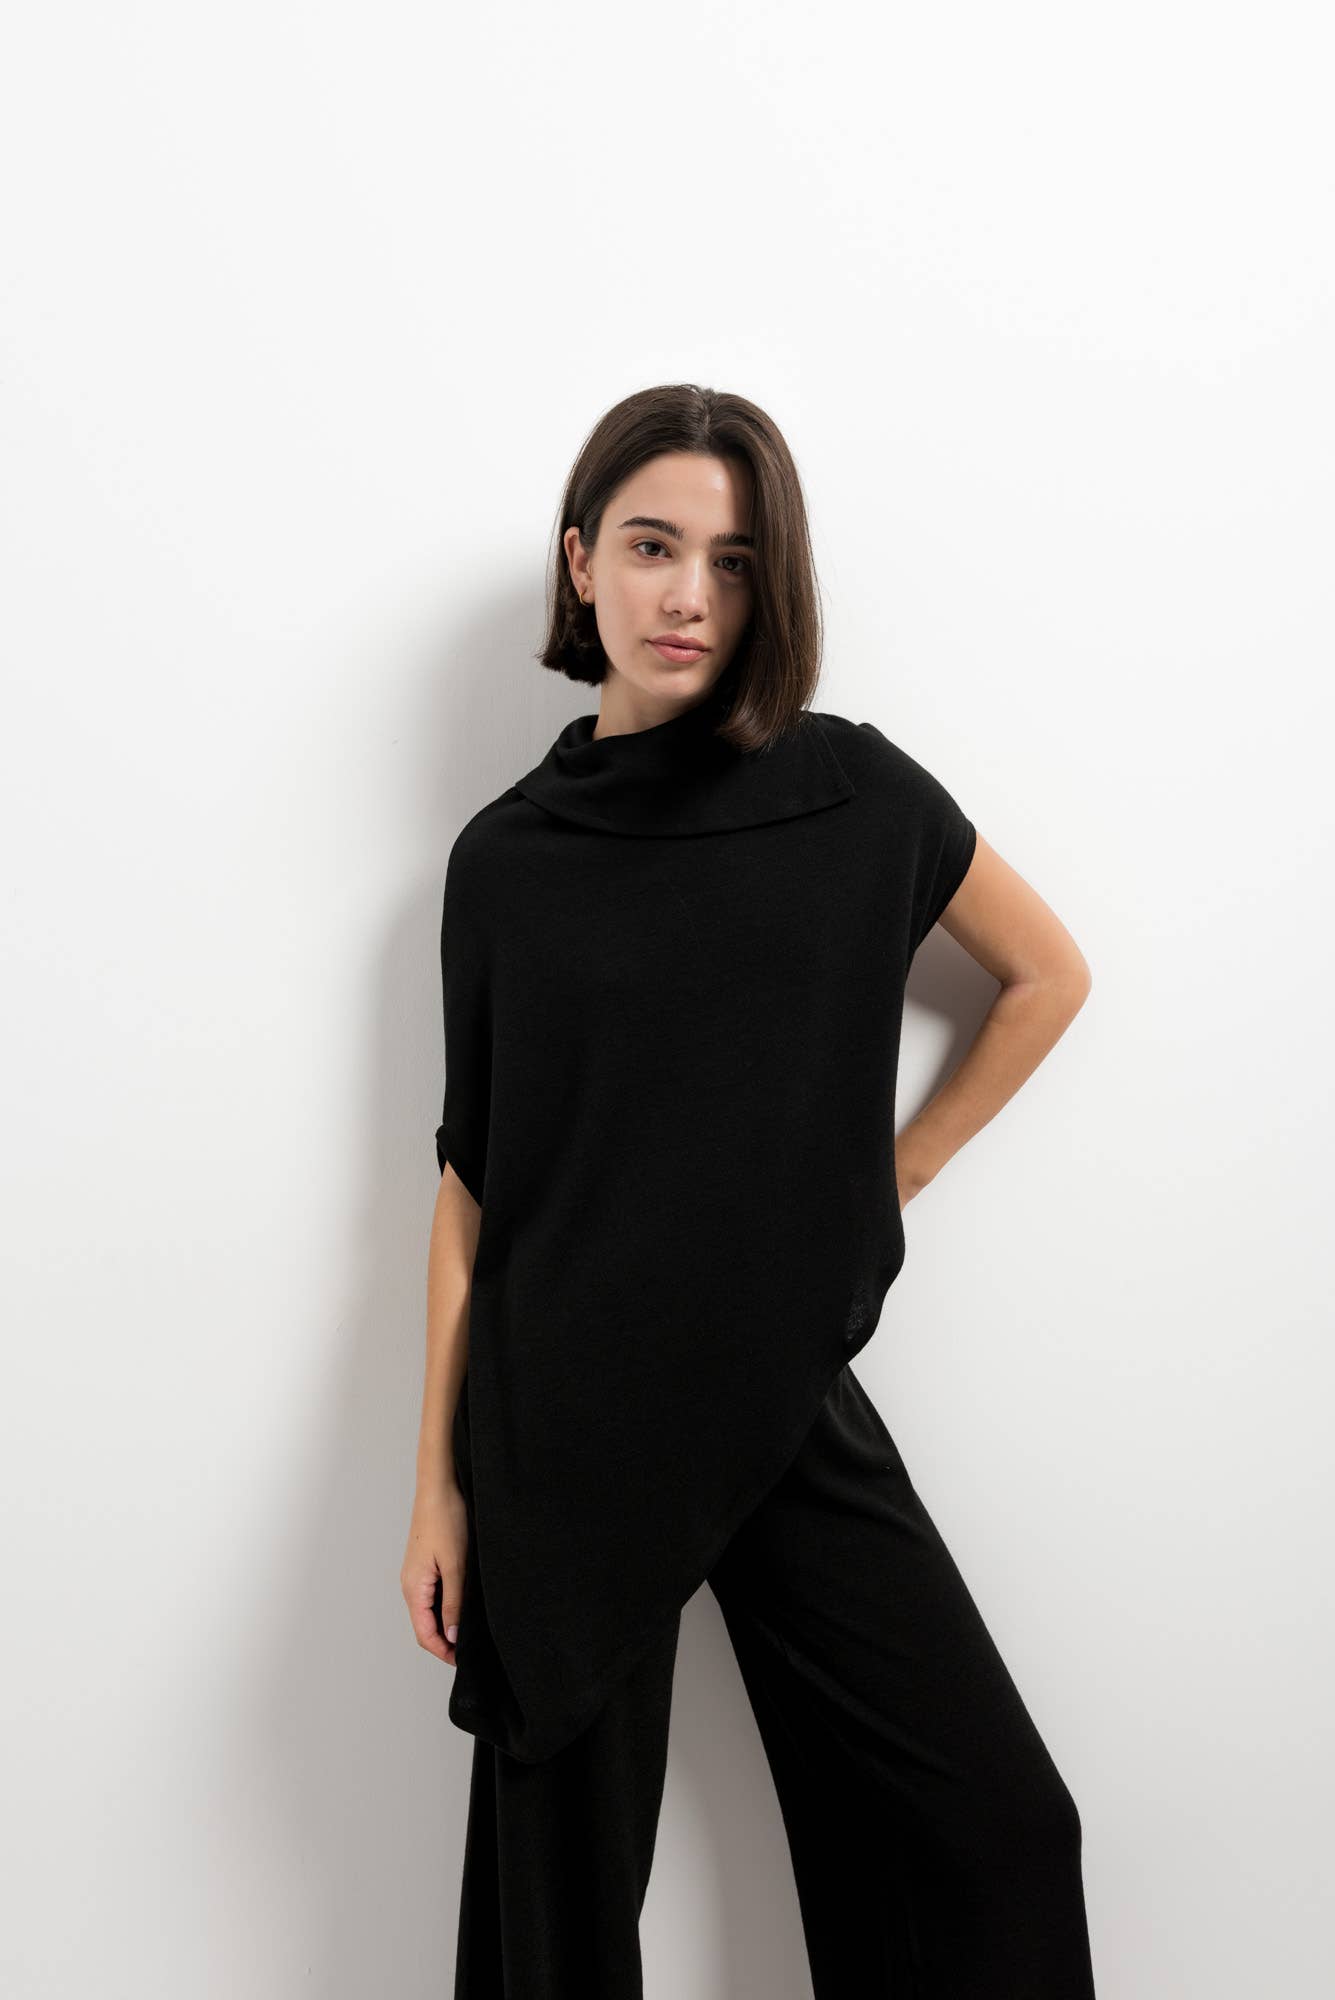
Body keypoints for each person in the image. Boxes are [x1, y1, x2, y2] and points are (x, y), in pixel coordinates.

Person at [401, 383, 1099, 1997]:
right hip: (561, 1425)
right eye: (652, 546)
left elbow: (1048, 977)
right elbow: (473, 1194)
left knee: (996, 1833)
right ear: (581, 562)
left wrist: (890, 1177)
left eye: (732, 560)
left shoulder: (853, 794)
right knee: (558, 1931)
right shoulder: (507, 862)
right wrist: (435, 1487)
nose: (690, 596)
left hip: (780, 1396)